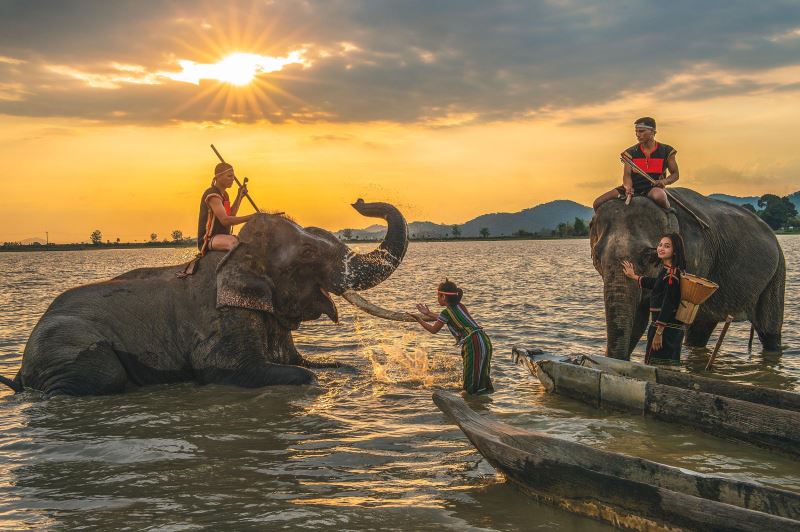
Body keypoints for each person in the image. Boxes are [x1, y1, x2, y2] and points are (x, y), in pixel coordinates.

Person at [408, 279, 494, 395]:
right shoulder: (460, 306)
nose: (437, 298)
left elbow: (434, 330)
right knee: (482, 376)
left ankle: (471, 404)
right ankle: (482, 406)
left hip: (473, 343)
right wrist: (427, 314)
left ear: (443, 297)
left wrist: (419, 320)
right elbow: (446, 319)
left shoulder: (446, 312)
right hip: (483, 339)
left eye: (438, 295)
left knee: (470, 381)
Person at [621, 233, 687, 364]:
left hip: (665, 329)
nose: (661, 248)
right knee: (666, 364)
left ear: (675, 251)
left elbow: (669, 304)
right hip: (669, 328)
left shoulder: (671, 276)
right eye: (660, 245)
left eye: (667, 246)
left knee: (657, 364)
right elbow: (656, 283)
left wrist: (659, 332)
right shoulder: (669, 271)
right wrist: (634, 276)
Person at [593, 117, 679, 210]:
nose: (638, 135)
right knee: (597, 203)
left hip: (652, 188)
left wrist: (664, 182)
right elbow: (627, 175)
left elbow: (675, 174)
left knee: (660, 197)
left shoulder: (666, 151)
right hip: (633, 188)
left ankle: (670, 212)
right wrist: (628, 187)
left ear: (653, 132)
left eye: (641, 131)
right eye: (636, 132)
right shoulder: (630, 153)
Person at [197, 162, 255, 252]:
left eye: (233, 177)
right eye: (229, 176)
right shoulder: (212, 194)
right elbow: (225, 221)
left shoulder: (225, 195)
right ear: (218, 177)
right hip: (209, 238)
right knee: (234, 243)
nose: (233, 179)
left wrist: (239, 196)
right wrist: (251, 217)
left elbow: (231, 214)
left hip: (222, 236)